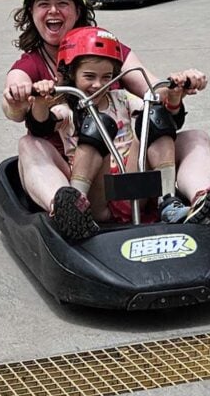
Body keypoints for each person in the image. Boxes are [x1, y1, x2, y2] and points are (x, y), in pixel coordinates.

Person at [2, 0, 210, 241]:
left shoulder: (107, 49)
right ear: (31, 12)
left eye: (63, 3)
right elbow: (14, 106)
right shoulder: (32, 67)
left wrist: (179, 85)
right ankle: (66, 208)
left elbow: (153, 93)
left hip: (129, 166)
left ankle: (200, 202)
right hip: (76, 171)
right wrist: (21, 95)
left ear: (78, 10)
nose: (54, 11)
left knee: (192, 136)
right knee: (30, 144)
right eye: (43, 4)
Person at [28, 26, 197, 239]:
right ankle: (75, 209)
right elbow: (41, 125)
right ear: (71, 74)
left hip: (132, 189)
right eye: (89, 76)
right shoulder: (67, 110)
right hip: (97, 196)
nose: (97, 84)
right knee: (98, 125)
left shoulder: (122, 99)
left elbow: (160, 113)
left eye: (106, 77)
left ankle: (168, 201)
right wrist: (41, 100)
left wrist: (175, 94)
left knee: (153, 117)